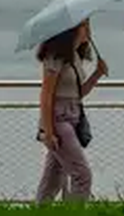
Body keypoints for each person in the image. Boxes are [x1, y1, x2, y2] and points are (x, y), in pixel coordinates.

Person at [35, 19, 108, 203]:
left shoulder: (74, 56)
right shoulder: (55, 56)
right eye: (84, 26)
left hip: (72, 117)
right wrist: (49, 131)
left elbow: (77, 94)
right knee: (82, 175)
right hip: (58, 120)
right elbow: (46, 95)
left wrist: (97, 74)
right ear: (72, 29)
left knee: (54, 178)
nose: (88, 31)